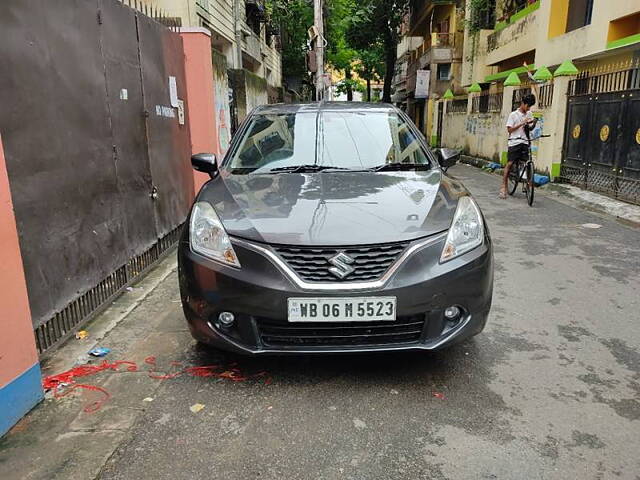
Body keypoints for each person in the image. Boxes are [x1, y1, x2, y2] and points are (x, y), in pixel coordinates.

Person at [500, 94, 537, 199]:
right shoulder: (513, 115)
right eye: (528, 106)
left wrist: (533, 123)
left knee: (528, 163)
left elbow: (529, 129)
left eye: (530, 107)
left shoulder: (529, 113)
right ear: (523, 104)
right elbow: (509, 130)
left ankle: (528, 184)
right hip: (514, 142)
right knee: (510, 163)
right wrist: (522, 123)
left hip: (525, 142)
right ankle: (503, 187)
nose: (529, 109)